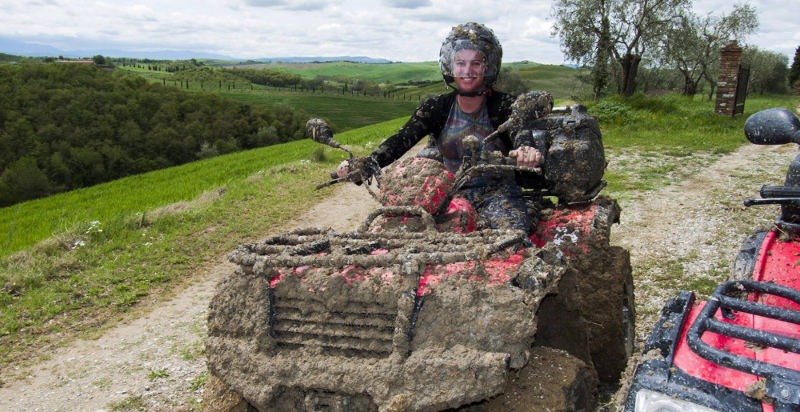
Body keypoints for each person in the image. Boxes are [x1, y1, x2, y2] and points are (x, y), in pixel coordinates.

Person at [337, 22, 546, 233]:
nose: (467, 71)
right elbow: (401, 140)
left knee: (513, 238)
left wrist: (525, 150)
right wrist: (366, 163)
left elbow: (521, 133)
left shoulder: (507, 105)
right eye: (460, 63)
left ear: (488, 66)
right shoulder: (435, 107)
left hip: (499, 194)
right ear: (450, 66)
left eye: (476, 63)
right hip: (447, 195)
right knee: (406, 240)